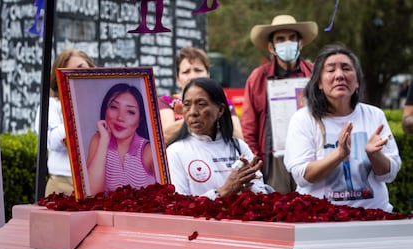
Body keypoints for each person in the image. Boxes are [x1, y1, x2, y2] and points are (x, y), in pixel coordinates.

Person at [283, 45, 401, 212]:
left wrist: (375, 155)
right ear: (319, 83)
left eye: (346, 69)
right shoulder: (304, 119)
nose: (340, 75)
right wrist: (339, 154)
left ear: (357, 81)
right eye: (331, 70)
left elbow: (389, 174)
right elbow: (302, 176)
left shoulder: (374, 115)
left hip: (374, 217)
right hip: (321, 219)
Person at [241, 15, 318, 193]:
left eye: (292, 38)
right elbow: (249, 125)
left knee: (314, 207)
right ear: (271, 46)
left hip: (310, 156)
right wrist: (256, 162)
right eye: (280, 39)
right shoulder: (258, 77)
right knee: (279, 209)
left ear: (301, 43)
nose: (287, 43)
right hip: (273, 159)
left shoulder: (315, 74)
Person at [167, 78, 269, 200]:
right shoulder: (175, 152)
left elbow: (262, 194)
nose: (192, 112)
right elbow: (178, 205)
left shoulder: (239, 146)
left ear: (220, 110)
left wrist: (247, 187)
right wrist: (224, 191)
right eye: (187, 105)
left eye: (201, 104)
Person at [35, 48, 96, 197]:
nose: (79, 76)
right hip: (62, 185)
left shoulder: (102, 103)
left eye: (82, 68)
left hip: (96, 184)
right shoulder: (51, 105)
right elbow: (51, 141)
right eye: (71, 73)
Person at [158, 47, 243, 144]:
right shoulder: (166, 102)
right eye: (186, 72)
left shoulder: (222, 102)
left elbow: (239, 138)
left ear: (208, 75)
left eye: (198, 70)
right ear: (178, 79)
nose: (193, 76)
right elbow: (165, 137)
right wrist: (203, 117)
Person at [87, 83, 155, 195]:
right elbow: (91, 193)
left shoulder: (148, 150)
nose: (120, 118)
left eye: (130, 112)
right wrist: (104, 141)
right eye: (114, 107)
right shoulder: (98, 140)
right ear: (105, 110)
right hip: (106, 212)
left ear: (140, 120)